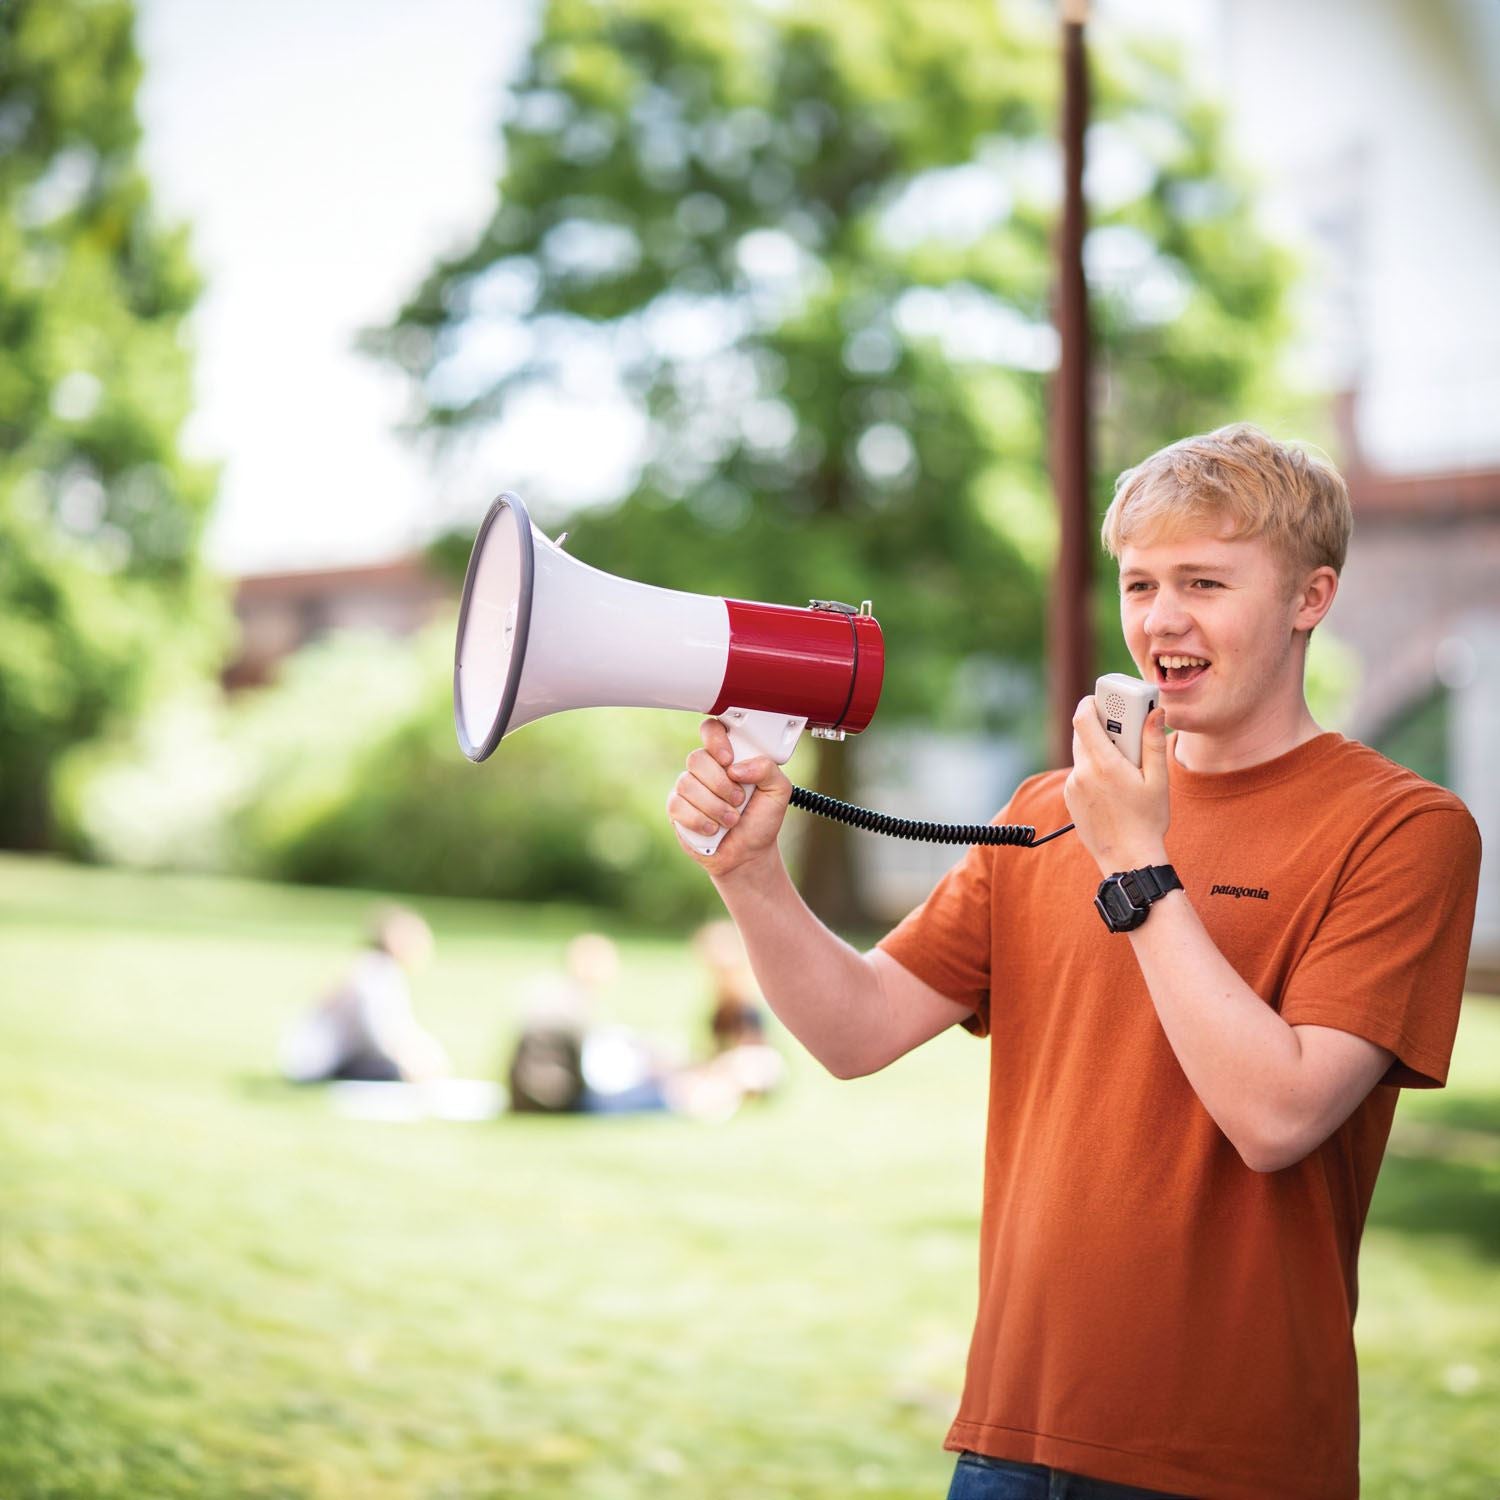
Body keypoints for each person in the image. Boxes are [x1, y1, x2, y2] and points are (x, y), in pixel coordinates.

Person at [665, 424, 1481, 1500]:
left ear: (1310, 598)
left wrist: (1137, 860)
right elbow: (855, 1032)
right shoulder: (1052, 813)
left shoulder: (1403, 829)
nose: (1161, 620)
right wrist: (750, 875)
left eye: (1204, 581)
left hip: (1227, 1462)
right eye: (1140, 583)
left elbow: (1279, 1117)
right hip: (1012, 1439)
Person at [279, 905, 451, 1084]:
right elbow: (378, 1034)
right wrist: (412, 1062)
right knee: (394, 1073)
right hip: (316, 1063)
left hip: (323, 1058)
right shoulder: (375, 973)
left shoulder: (376, 969)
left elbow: (400, 1028)